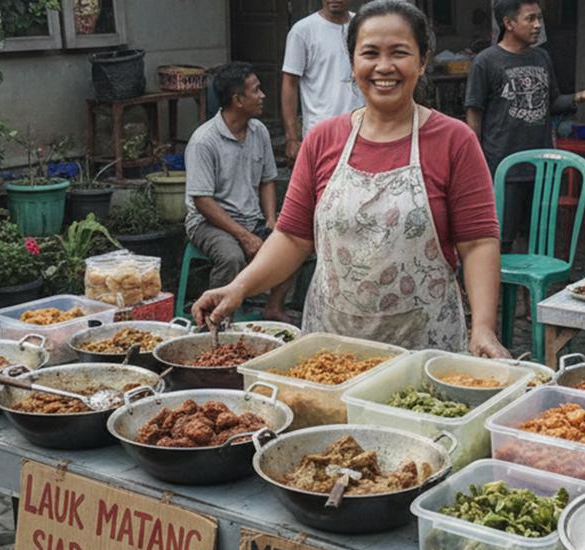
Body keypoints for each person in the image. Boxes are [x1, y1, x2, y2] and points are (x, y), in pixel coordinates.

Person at [193, 0, 511, 358]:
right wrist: (239, 287)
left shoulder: (455, 140)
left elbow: (479, 243)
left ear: (422, 61)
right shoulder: (323, 139)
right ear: (352, 62)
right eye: (370, 53)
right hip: (331, 350)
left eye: (400, 52)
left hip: (424, 346)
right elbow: (293, 238)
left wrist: (482, 327)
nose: (384, 66)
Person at [463, 0, 585, 250]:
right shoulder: (486, 61)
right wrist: (475, 162)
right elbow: (474, 113)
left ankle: (530, 290)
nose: (537, 25)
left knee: (537, 240)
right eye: (530, 18)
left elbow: (552, 102)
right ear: (509, 23)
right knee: (500, 241)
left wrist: (581, 95)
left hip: (542, 167)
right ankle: (497, 289)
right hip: (503, 167)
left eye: (539, 19)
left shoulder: (542, 57)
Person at [184, 62, 294, 322]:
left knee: (292, 246)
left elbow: (268, 180)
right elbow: (202, 201)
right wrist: (245, 237)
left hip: (251, 218)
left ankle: (274, 307)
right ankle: (215, 320)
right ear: (237, 100)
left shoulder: (259, 131)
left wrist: (271, 219)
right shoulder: (204, 141)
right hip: (208, 222)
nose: (263, 96)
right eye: (256, 91)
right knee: (231, 256)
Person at [281, 0, 366, 163]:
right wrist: (292, 137)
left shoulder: (364, 26)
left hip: (363, 129)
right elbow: (290, 83)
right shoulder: (303, 31)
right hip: (321, 132)